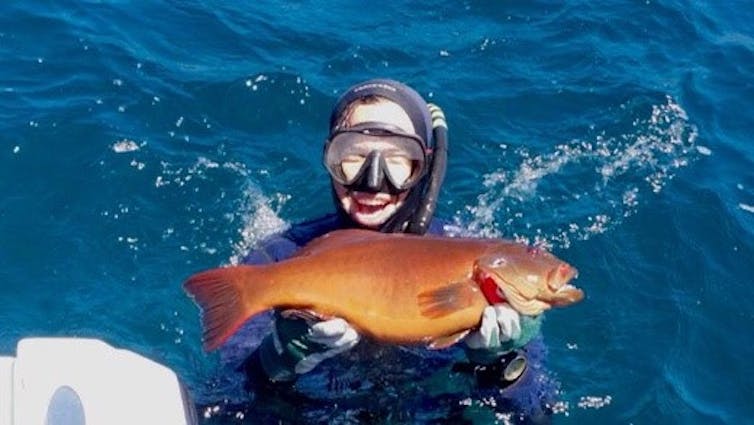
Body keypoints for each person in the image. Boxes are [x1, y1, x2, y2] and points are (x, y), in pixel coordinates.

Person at [233, 79, 554, 423]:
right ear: (329, 157)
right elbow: (225, 402)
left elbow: (537, 414)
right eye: (352, 156)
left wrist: (504, 366)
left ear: (424, 167)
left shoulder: (478, 258)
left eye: (399, 160)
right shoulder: (278, 258)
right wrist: (275, 362)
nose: (373, 180)